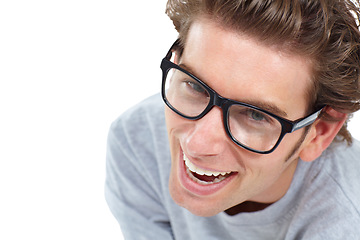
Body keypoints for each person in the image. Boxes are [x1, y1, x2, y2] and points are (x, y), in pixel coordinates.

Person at [105, 0, 360, 239]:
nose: (197, 145)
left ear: (320, 132)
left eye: (256, 115)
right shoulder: (137, 142)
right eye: (195, 86)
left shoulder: (346, 221)